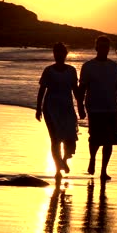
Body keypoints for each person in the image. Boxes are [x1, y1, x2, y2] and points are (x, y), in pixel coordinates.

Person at [78, 35, 117, 181]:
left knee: (109, 141)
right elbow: (82, 88)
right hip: (94, 108)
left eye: (106, 47)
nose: (104, 49)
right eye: (101, 46)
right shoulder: (88, 66)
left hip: (111, 109)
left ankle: (104, 171)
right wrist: (80, 107)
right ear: (96, 48)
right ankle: (92, 158)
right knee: (95, 139)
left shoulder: (114, 66)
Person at [36, 42, 80, 178]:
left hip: (67, 109)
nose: (58, 55)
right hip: (50, 109)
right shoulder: (48, 71)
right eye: (56, 53)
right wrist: (38, 109)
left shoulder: (72, 71)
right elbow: (42, 90)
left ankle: (64, 160)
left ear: (66, 54)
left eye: (61, 53)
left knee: (70, 139)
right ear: (54, 54)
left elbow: (75, 90)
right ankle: (57, 169)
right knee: (55, 140)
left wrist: (82, 107)